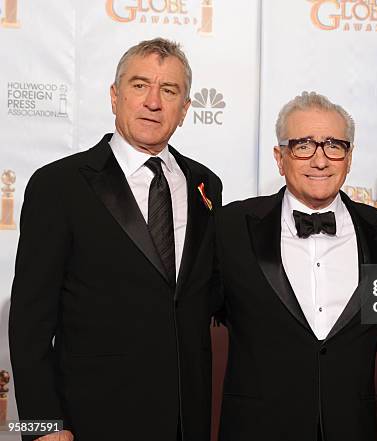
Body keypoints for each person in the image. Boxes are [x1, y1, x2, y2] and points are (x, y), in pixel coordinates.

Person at [9, 38, 221, 441]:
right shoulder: (59, 184)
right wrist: (41, 428)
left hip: (185, 420)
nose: (153, 102)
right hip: (90, 422)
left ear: (186, 109)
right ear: (114, 95)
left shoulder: (205, 184)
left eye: (169, 90)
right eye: (140, 85)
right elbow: (28, 324)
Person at [212, 91, 377, 441]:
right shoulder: (231, 227)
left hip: (351, 428)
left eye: (334, 145)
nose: (320, 160)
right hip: (256, 428)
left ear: (349, 158)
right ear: (280, 156)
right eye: (304, 145)